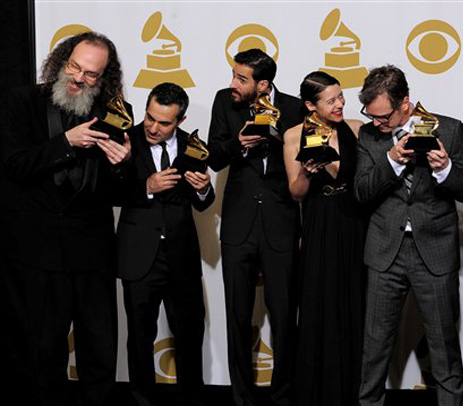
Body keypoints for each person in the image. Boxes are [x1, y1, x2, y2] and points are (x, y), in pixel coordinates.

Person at [0, 31, 132, 406]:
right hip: (39, 254)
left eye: (91, 74)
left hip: (93, 254)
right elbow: (14, 166)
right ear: (61, 62)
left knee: (100, 351)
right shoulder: (22, 101)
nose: (79, 78)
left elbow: (120, 192)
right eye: (75, 67)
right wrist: (65, 143)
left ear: (103, 78)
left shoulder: (115, 111)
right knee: (43, 353)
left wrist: (122, 166)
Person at [354, 65, 463, 406]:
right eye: (370, 114)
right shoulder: (369, 136)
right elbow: (362, 192)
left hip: (434, 252)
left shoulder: (448, 130)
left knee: (444, 349)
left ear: (405, 103)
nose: (377, 122)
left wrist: (444, 169)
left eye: (384, 115)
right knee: (374, 347)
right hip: (384, 253)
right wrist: (391, 160)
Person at [207, 48, 303, 406]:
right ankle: (241, 398)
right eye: (233, 75)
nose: (233, 83)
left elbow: (309, 158)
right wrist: (238, 144)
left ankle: (283, 396)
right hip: (238, 224)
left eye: (241, 79)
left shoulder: (294, 108)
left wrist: (281, 138)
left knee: (283, 317)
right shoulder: (224, 102)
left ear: (263, 85)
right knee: (236, 316)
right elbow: (213, 157)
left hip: (280, 222)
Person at [116, 82, 214, 406]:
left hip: (181, 256)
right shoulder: (125, 139)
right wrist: (146, 185)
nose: (153, 127)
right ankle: (142, 400)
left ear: (180, 120)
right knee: (140, 338)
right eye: (149, 117)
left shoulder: (193, 146)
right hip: (139, 254)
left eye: (163, 122)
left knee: (189, 336)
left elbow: (203, 202)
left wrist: (203, 188)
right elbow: (106, 190)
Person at [283, 71, 366, 406]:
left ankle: (354, 392)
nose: (340, 104)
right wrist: (306, 170)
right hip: (318, 221)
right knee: (319, 303)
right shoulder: (293, 136)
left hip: (354, 220)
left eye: (341, 96)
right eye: (330, 100)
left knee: (354, 301)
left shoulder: (358, 129)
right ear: (309, 105)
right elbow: (297, 193)